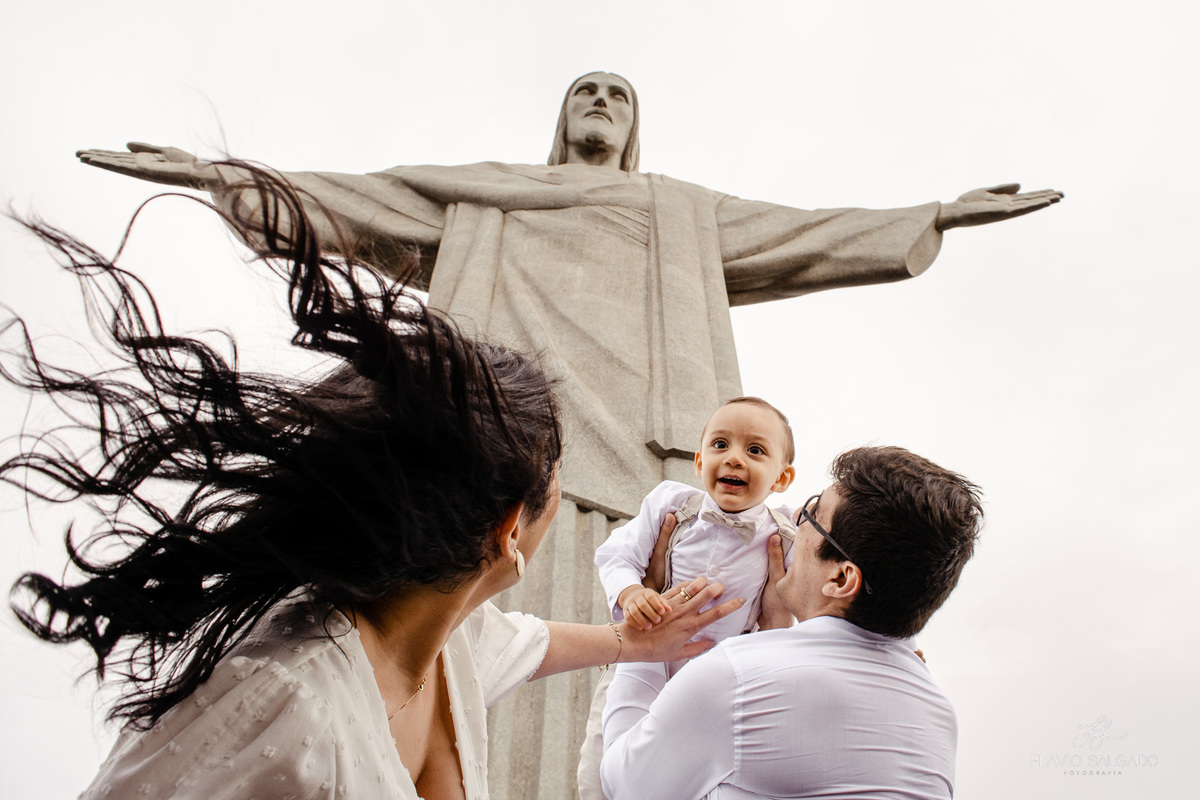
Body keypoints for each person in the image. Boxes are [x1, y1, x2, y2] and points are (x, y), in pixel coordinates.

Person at [74, 71, 1057, 791]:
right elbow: (357, 198)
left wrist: (934, 213)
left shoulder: (675, 210)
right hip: (513, 425)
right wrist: (221, 178)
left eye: (618, 96)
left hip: (640, 441)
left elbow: (805, 232)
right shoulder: (495, 188)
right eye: (584, 90)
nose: (599, 102)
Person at [1, 169, 742, 800]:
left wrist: (633, 642)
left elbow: (524, 641)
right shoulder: (281, 703)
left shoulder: (440, 634)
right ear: (510, 530)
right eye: (556, 478)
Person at [600, 446, 984, 800]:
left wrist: (645, 638)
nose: (796, 518)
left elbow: (626, 784)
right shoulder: (938, 714)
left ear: (840, 579)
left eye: (814, 515)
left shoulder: (733, 678)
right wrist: (774, 635)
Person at [579, 396, 797, 798]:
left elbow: (825, 596)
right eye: (720, 444)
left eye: (755, 450)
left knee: (688, 774)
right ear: (699, 462)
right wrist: (631, 593)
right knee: (601, 762)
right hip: (649, 653)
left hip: (719, 675)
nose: (733, 458)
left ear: (781, 478)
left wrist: (894, 643)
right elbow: (617, 553)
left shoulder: (785, 535)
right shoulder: (672, 504)